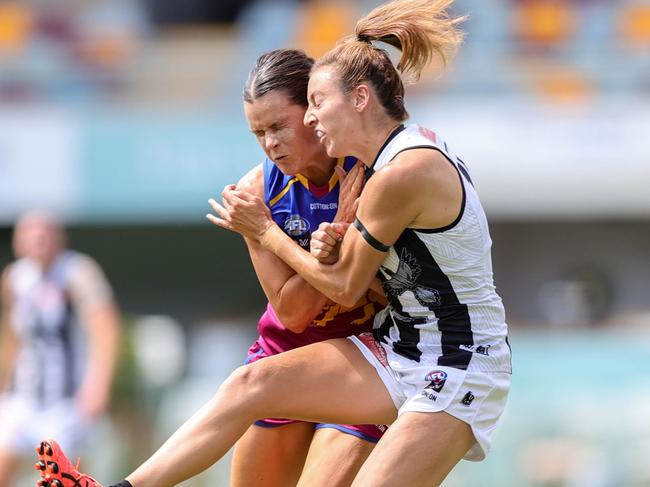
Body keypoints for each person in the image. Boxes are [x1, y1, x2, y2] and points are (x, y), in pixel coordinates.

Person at [34, 1, 511, 486]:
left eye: (315, 106)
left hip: (457, 359)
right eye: (258, 132)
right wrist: (326, 246)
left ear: (360, 99)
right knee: (248, 383)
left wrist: (268, 232)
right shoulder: (324, 176)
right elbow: (307, 304)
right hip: (391, 348)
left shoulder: (393, 174)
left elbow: (348, 288)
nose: (310, 123)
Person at [219, 48, 387, 487]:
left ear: (314, 110)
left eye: (278, 126)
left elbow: (383, 291)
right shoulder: (256, 191)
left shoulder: (371, 172)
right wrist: (336, 249)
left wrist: (338, 247)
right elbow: (291, 313)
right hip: (286, 356)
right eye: (259, 133)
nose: (270, 143)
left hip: (362, 364)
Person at [0, 211, 121, 487]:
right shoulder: (15, 278)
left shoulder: (78, 272)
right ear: (17, 240)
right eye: (29, 232)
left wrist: (97, 387)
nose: (38, 238)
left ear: (60, 237)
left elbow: (106, 330)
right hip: (24, 397)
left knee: (64, 477)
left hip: (66, 400)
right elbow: (14, 338)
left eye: (45, 231)